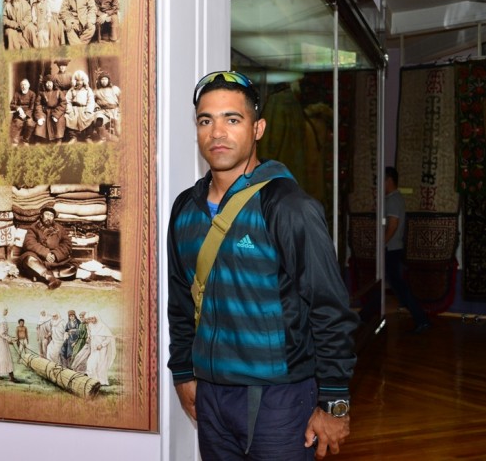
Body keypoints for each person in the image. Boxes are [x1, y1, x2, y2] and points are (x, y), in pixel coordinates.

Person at [167, 71, 359, 460]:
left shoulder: (288, 206)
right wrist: (184, 372)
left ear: (258, 128)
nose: (217, 132)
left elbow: (330, 308)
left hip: (279, 399)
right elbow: (181, 302)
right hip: (211, 396)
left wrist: (335, 401)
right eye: (206, 120)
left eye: (232, 119)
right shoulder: (186, 208)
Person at [384, 166, 431, 334]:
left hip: (391, 249)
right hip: (393, 248)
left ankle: (422, 320)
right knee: (394, 285)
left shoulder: (393, 200)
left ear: (389, 180)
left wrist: (381, 244)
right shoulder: (395, 198)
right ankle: (365, 317)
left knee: (399, 286)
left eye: (382, 180)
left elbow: (393, 225)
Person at [18, 206, 76, 289]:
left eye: (51, 215)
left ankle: (39, 274)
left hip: (55, 261)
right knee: (29, 260)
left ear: (53, 218)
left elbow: (67, 244)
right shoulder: (34, 227)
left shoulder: (60, 228)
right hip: (39, 258)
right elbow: (29, 242)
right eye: (47, 214)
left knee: (72, 269)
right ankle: (50, 278)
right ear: (41, 216)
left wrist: (55, 254)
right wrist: (46, 253)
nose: (49, 217)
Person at [0, 305, 21, 383]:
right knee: (7, 358)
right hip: (1, 343)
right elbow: (2, 334)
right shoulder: (2, 320)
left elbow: (0, 333)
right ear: (1, 310)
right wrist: (11, 339)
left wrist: (9, 339)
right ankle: (11, 377)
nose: (7, 312)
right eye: (6, 310)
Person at [64, 70, 96, 143]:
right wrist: (70, 111)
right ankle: (73, 137)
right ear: (74, 81)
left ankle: (88, 137)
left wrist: (88, 111)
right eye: (77, 80)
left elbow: (91, 101)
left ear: (84, 81)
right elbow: (67, 101)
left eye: (81, 80)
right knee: (68, 117)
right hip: (74, 109)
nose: (79, 82)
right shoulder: (71, 90)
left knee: (90, 117)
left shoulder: (88, 90)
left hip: (84, 108)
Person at [34, 74, 67, 144]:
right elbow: (38, 104)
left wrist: (56, 114)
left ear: (53, 83)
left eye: (50, 82)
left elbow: (63, 103)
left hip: (56, 111)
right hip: (45, 112)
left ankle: (59, 139)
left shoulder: (58, 92)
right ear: (44, 84)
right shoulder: (42, 93)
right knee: (41, 123)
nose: (48, 84)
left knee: (59, 121)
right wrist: (40, 115)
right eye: (47, 83)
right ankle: (39, 140)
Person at [85, 313, 116, 385]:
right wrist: (88, 338)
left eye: (92, 318)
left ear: (96, 318)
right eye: (90, 319)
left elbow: (109, 338)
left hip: (102, 350)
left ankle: (102, 381)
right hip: (94, 349)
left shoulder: (103, 326)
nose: (91, 320)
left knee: (101, 365)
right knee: (91, 363)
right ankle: (93, 380)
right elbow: (90, 334)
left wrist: (102, 345)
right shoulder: (90, 326)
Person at [93, 72, 121, 142]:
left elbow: (122, 99)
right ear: (99, 81)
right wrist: (97, 107)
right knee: (99, 120)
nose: (104, 81)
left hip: (115, 110)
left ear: (108, 80)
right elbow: (92, 101)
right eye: (102, 79)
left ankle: (120, 138)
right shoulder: (97, 91)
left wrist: (120, 109)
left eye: (105, 79)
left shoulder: (114, 89)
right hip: (103, 111)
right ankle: (103, 138)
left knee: (118, 129)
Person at [10, 78, 38, 146]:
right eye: (22, 85)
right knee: (17, 123)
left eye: (25, 85)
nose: (23, 86)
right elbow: (12, 104)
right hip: (18, 114)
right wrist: (18, 108)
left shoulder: (32, 94)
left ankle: (26, 140)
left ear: (28, 86)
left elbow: (32, 107)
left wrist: (26, 115)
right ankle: (15, 141)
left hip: (28, 114)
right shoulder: (17, 93)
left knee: (30, 124)